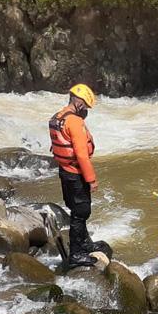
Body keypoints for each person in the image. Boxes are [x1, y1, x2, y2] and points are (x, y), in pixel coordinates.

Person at [48, 84, 105, 268]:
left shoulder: (58, 117)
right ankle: (76, 254)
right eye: (86, 106)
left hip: (64, 172)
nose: (86, 110)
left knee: (76, 210)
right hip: (75, 174)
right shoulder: (74, 122)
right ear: (79, 102)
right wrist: (92, 180)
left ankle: (85, 243)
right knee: (81, 212)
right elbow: (81, 154)